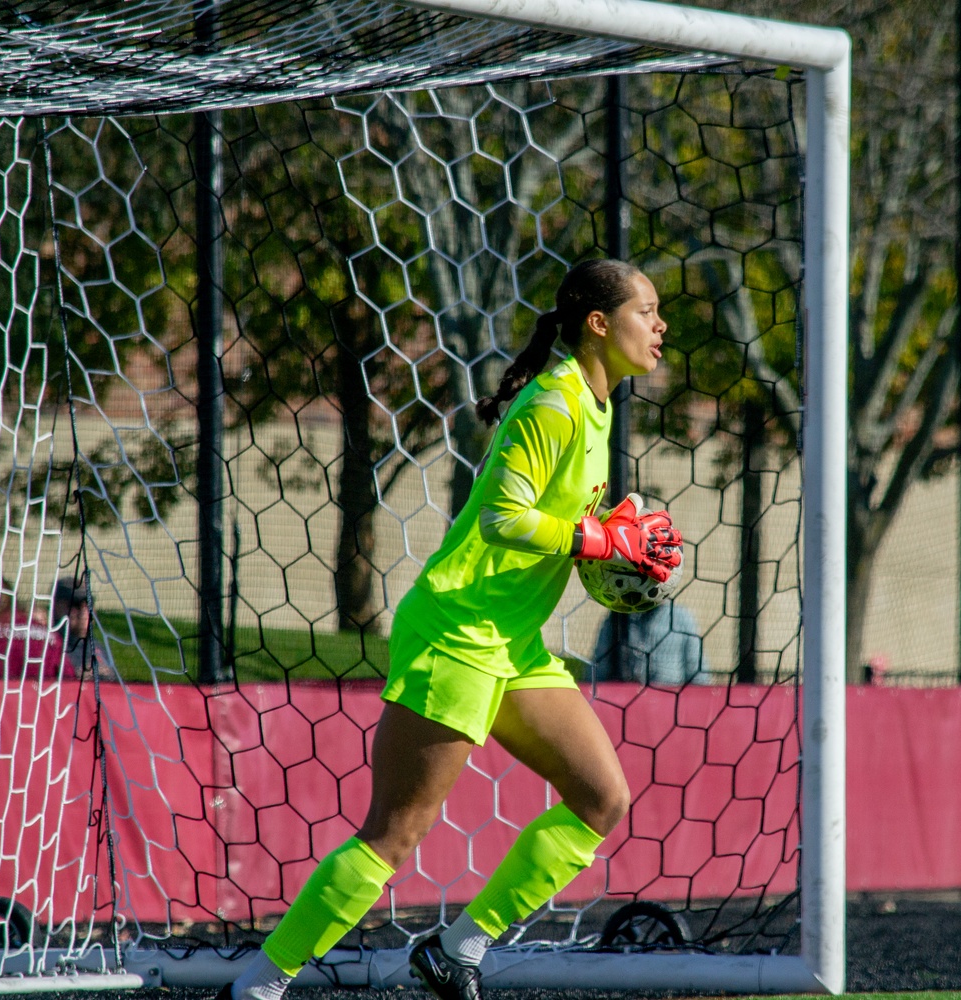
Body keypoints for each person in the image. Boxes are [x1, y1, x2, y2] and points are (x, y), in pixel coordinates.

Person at [217, 259, 682, 1000]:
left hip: (511, 642)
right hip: (458, 630)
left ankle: (456, 949)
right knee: (394, 836)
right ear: (599, 323)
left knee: (602, 798)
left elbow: (551, 523)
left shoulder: (597, 406)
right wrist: (596, 541)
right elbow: (502, 515)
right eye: (648, 311)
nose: (660, 327)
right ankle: (259, 984)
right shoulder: (555, 404)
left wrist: (607, 534)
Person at [591, 602, 711, 685]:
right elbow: (596, 672)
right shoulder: (615, 618)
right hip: (623, 703)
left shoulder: (681, 618)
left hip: (670, 704)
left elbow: (698, 674)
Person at [53, 574, 117, 681]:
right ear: (57, 607)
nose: (84, 611)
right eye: (76, 604)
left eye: (88, 604)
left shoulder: (97, 647)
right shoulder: (51, 647)